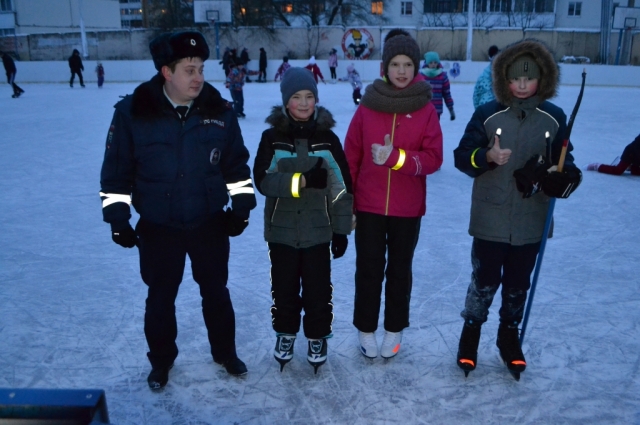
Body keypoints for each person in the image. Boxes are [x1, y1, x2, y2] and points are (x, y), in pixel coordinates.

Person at [99, 31, 257, 390]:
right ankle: (161, 361)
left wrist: (242, 208)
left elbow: (236, 166)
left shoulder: (219, 111)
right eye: (189, 69)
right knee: (160, 298)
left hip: (208, 223)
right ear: (167, 72)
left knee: (216, 292)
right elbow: (116, 172)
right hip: (159, 225)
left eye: (201, 68)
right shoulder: (133, 113)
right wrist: (118, 220)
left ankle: (225, 352)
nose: (198, 77)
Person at [453, 39, 582, 379]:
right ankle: (471, 332)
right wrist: (486, 157)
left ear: (543, 78)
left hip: (530, 220)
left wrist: (564, 177)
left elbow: (565, 161)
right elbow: (461, 157)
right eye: (515, 79)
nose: (522, 86)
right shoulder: (487, 114)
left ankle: (508, 335)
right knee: (484, 280)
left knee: (517, 283)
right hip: (490, 217)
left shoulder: (553, 118)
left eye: (529, 78)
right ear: (504, 80)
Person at [344, 34, 443, 360]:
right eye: (395, 65)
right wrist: (349, 202)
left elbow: (433, 158)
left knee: (400, 270)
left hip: (407, 208)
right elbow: (351, 158)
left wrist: (396, 157)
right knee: (368, 269)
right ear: (385, 67)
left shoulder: (426, 110)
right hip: (369, 205)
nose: (401, 71)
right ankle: (366, 327)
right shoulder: (367, 107)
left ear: (416, 68)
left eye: (408, 65)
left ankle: (394, 328)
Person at [253, 67, 353, 374]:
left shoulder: (327, 140)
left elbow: (340, 188)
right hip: (281, 232)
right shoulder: (272, 138)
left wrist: (341, 230)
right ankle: (285, 333)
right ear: (286, 101)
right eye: (297, 97)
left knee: (318, 290)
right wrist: (302, 181)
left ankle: (317, 336)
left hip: (318, 232)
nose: (304, 103)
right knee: (283, 289)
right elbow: (264, 181)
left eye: (309, 96)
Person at [420, 51, 455, 121]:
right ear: (427, 63)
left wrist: (451, 109)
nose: (433, 65)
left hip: (436, 110)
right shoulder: (421, 76)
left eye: (435, 62)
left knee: (434, 130)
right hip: (423, 109)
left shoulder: (442, 77)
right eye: (431, 63)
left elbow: (447, 94)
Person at [473, 45, 500, 109]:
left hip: (484, 108)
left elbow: (476, 96)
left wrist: (478, 111)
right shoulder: (504, 76)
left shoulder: (482, 77)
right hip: (496, 110)